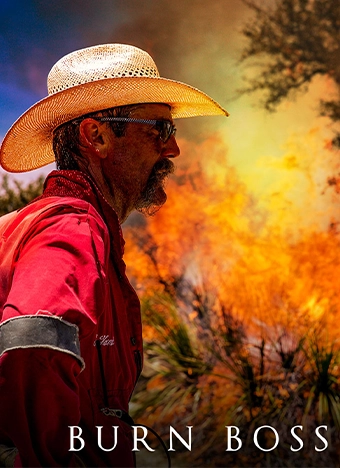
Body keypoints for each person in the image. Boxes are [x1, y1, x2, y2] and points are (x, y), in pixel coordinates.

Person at [0, 43, 228, 467]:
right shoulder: (72, 227)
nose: (172, 149)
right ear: (96, 136)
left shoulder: (57, 227)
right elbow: (30, 344)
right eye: (160, 129)